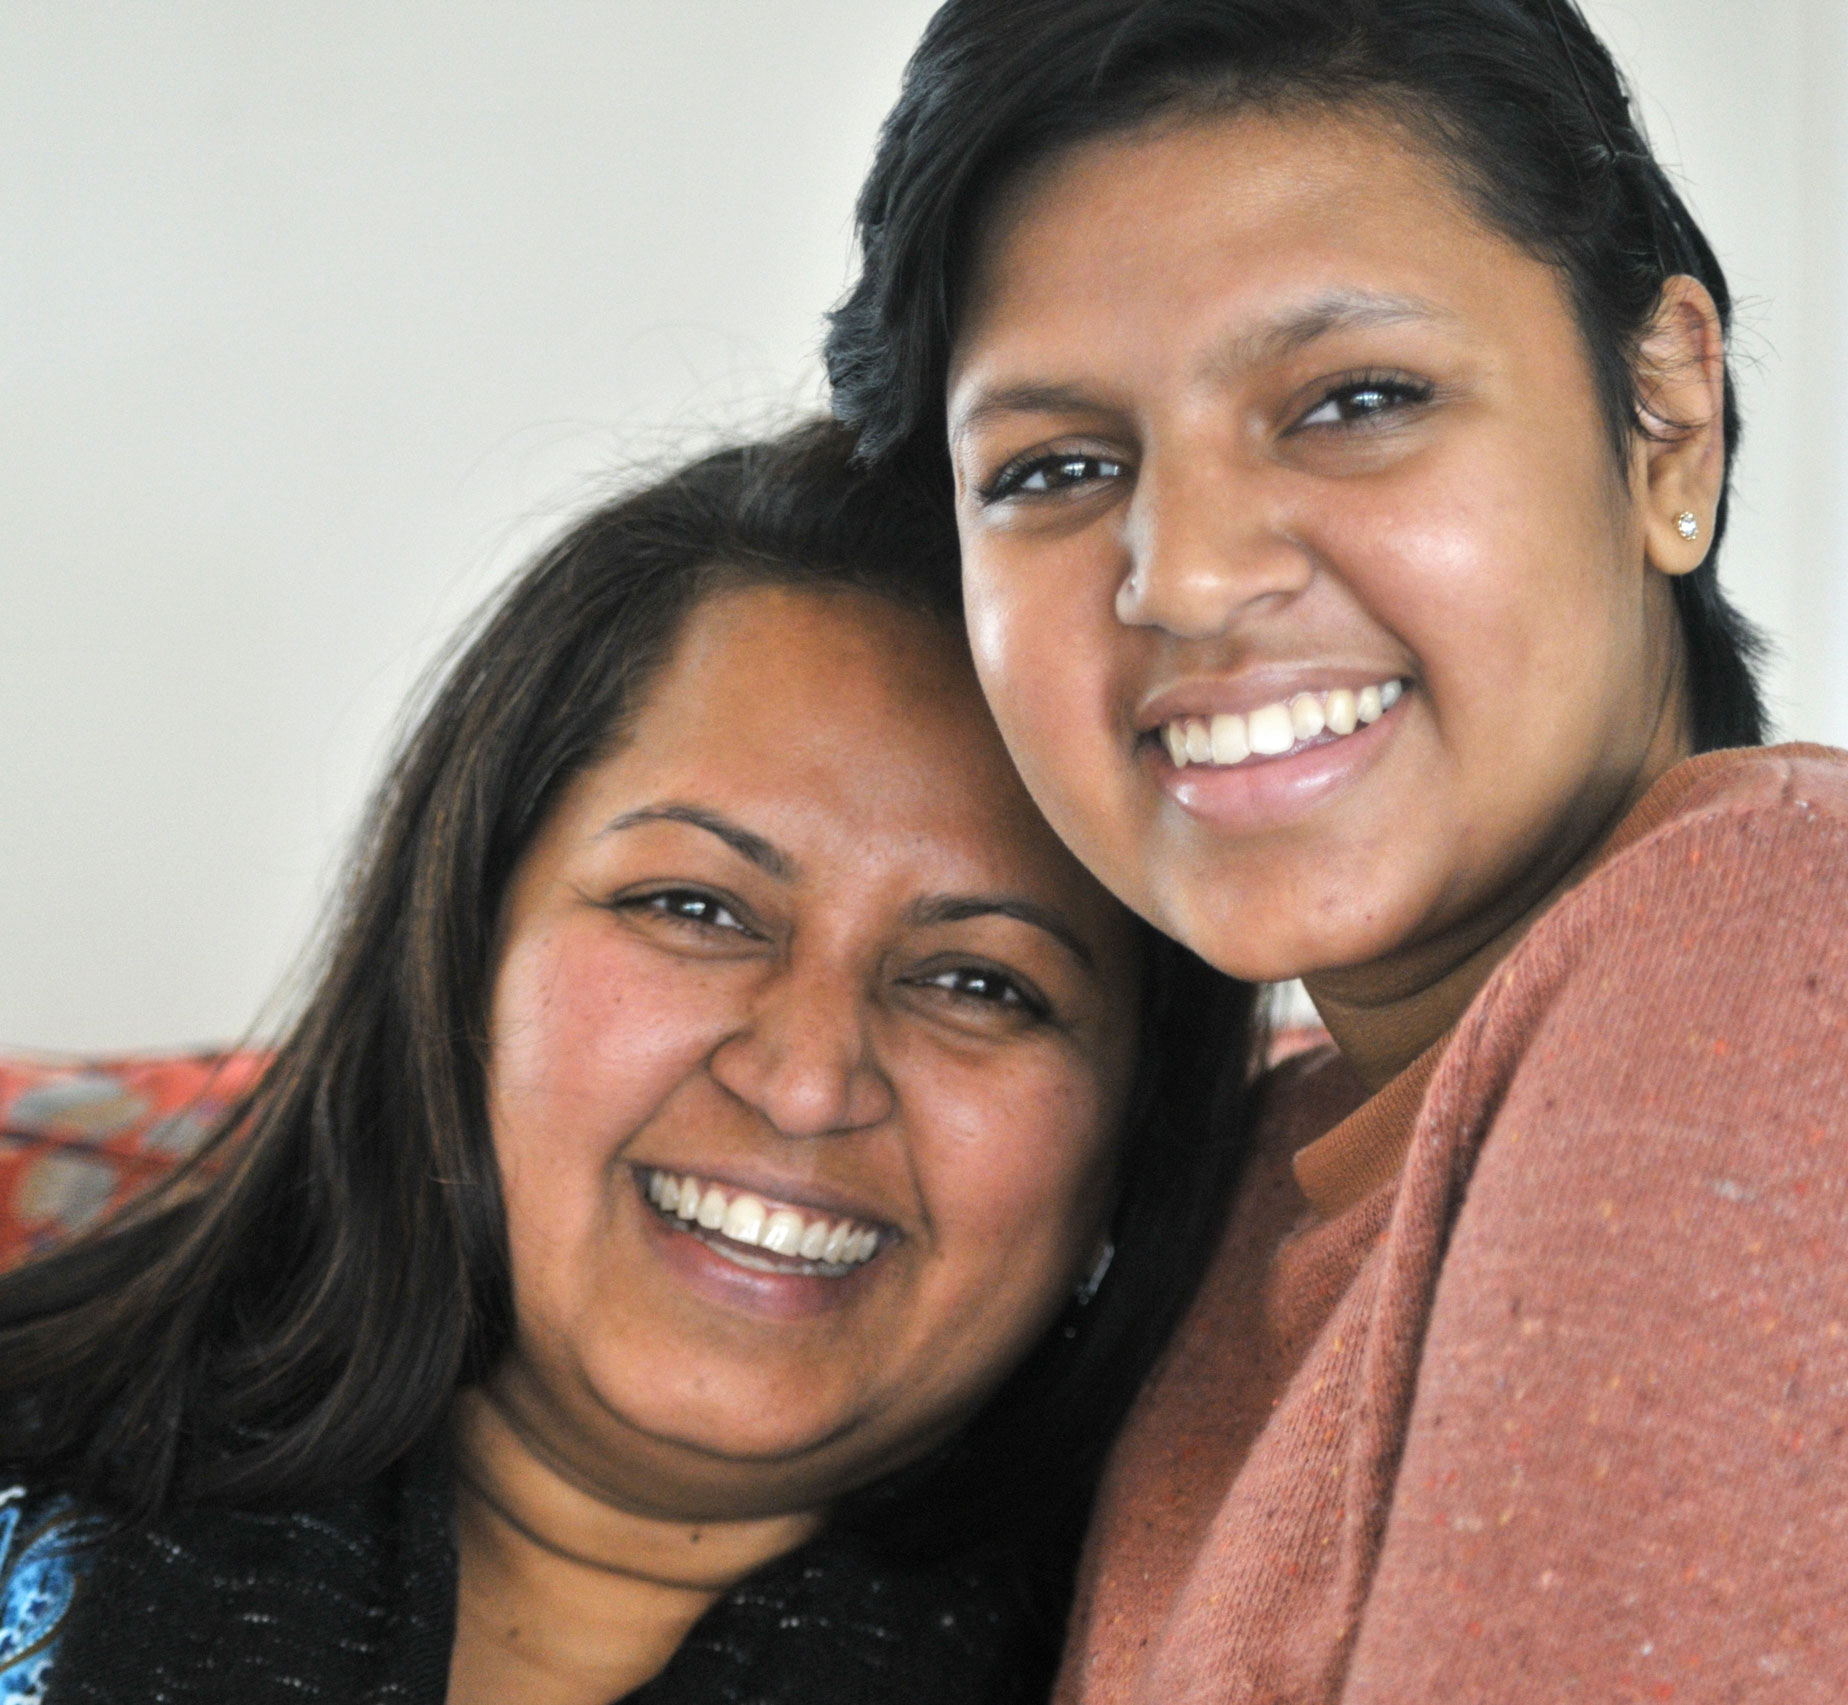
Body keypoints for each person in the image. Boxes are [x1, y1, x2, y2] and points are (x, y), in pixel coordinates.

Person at [826, 0, 1848, 1698]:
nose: (1189, 572)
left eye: (1353, 399)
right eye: (1055, 468)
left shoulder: (1762, 939)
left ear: (1666, 421)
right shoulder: (1250, 1167)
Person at [0, 421, 1254, 1704]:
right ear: (463, 948)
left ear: (1132, 1137)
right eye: (695, 908)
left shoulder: (1223, 1656)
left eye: (982, 984)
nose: (808, 1079)